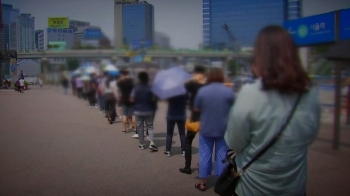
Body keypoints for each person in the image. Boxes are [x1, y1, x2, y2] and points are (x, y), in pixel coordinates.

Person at [224, 25, 320, 196]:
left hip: (252, 187)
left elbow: (234, 142)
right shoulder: (310, 92)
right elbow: (310, 136)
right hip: (295, 187)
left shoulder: (250, 94)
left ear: (260, 57)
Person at [193, 68, 234, 192]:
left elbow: (196, 109)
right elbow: (235, 110)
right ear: (221, 77)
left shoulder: (202, 91)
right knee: (222, 155)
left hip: (206, 128)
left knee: (205, 155)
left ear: (209, 77)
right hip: (223, 128)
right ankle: (221, 183)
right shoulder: (228, 92)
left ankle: (202, 183)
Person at [179, 65, 206, 174]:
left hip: (195, 117)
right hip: (206, 117)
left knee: (188, 141)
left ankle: (187, 167)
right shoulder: (207, 84)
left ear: (195, 73)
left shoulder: (192, 83)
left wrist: (192, 78)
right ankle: (204, 168)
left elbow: (182, 86)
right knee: (205, 144)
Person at [130, 71, 158, 151]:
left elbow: (132, 99)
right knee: (150, 126)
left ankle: (141, 144)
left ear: (139, 79)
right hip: (148, 110)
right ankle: (151, 142)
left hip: (138, 110)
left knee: (140, 126)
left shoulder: (136, 88)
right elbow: (153, 99)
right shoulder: (150, 88)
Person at [117, 69, 135, 133]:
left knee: (125, 114)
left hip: (124, 98)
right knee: (133, 114)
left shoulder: (121, 81)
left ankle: (124, 129)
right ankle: (135, 129)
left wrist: (119, 97)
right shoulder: (132, 81)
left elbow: (118, 90)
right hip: (132, 98)